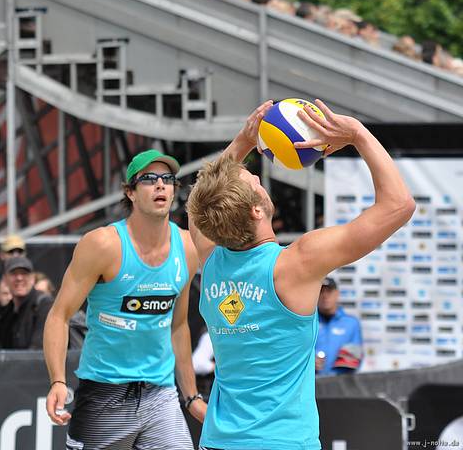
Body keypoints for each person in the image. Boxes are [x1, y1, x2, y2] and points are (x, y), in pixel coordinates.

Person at [186, 99, 415, 449]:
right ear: (257, 210)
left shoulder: (211, 261)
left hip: (219, 440)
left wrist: (244, 140)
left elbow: (200, 205)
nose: (258, 177)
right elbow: (399, 205)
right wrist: (358, 134)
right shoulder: (295, 264)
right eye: (254, 181)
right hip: (282, 441)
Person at [44, 149, 206, 449]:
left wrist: (191, 396)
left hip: (160, 394)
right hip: (104, 393)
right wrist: (57, 380)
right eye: (149, 179)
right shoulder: (102, 244)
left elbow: (178, 326)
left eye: (167, 179)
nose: (160, 185)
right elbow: (59, 315)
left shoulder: (186, 246)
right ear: (130, 192)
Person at [0, 256, 53, 350]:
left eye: (24, 273)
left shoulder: (45, 306)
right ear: (5, 279)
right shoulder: (6, 314)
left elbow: (38, 351)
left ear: (33, 278)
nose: (19, 278)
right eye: (14, 273)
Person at [0, 233, 26, 347]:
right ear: (2, 255)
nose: (16, 255)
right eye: (11, 251)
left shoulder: (34, 282)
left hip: (27, 344)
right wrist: (4, 308)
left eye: (20, 251)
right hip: (0, 346)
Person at [315, 277, 363, 375]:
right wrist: (309, 361)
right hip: (311, 380)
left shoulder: (351, 323)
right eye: (321, 291)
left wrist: (346, 361)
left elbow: (355, 358)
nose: (325, 296)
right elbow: (297, 351)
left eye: (329, 291)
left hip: (340, 381)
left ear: (337, 294)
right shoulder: (307, 322)